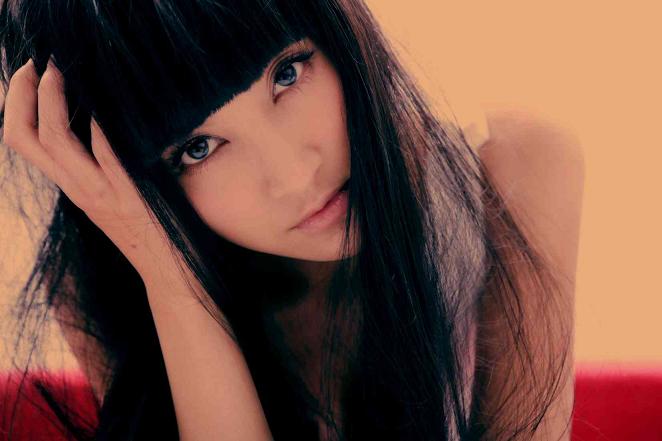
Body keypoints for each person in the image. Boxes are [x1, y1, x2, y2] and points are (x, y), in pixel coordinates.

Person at [0, 0, 583, 440]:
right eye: (198, 148)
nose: (293, 175)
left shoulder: (511, 173)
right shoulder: (106, 279)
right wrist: (169, 278)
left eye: (287, 74)